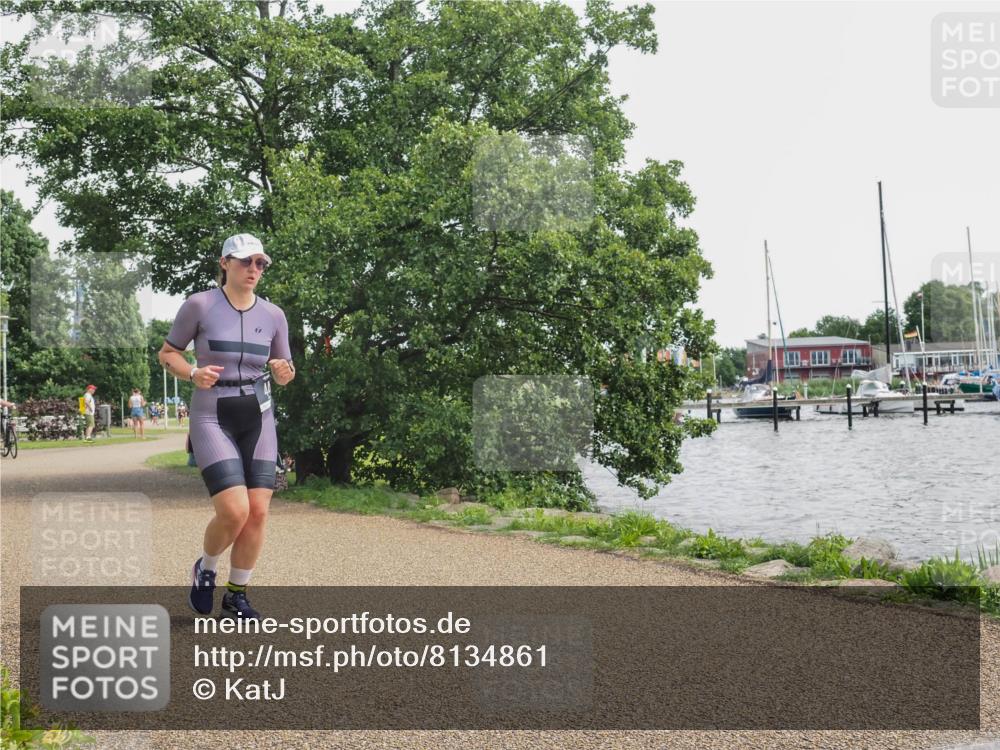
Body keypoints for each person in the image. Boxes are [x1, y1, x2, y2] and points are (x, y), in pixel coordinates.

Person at [158, 233, 295, 620]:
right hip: (211, 415)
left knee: (258, 511)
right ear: (225, 263)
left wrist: (285, 374)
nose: (254, 269)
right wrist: (192, 372)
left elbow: (284, 370)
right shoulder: (199, 305)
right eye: (245, 261)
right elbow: (167, 354)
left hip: (259, 416)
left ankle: (237, 594)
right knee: (234, 511)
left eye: (260, 264)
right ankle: (206, 569)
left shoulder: (273, 315)